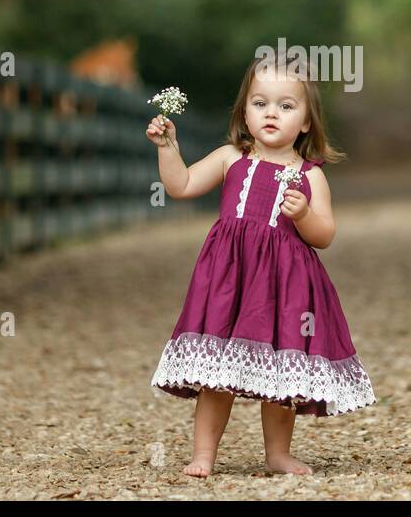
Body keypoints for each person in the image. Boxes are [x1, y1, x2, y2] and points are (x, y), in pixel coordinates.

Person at [147, 55, 376, 477]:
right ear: (244, 112)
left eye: (286, 106)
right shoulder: (231, 157)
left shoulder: (310, 176)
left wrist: (304, 213)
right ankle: (203, 454)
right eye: (260, 103)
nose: (271, 113)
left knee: (280, 377)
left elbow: (324, 235)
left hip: (285, 287)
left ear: (307, 122)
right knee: (216, 372)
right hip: (228, 280)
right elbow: (180, 186)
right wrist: (168, 149)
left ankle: (278, 454)